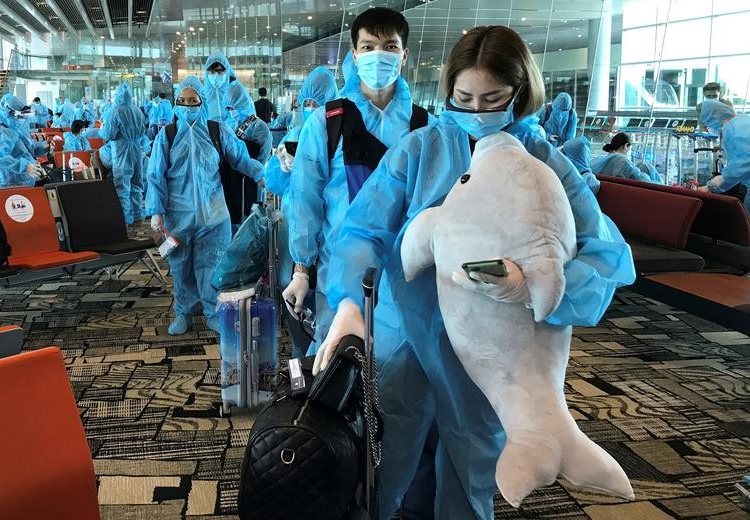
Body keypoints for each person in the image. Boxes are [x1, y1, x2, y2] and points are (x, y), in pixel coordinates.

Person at [314, 26, 635, 518]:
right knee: (383, 457)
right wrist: (350, 303)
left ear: (519, 93)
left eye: (492, 99)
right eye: (464, 99)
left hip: (499, 347)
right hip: (408, 331)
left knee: (472, 468)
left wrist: (539, 290)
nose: (477, 112)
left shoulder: (543, 161)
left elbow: (605, 255)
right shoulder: (419, 150)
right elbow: (362, 230)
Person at [284, 7, 434, 356]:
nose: (378, 55)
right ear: (354, 54)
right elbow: (306, 199)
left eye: (390, 46)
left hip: (407, 278)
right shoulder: (327, 122)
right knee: (339, 365)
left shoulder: (426, 127)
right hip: (340, 275)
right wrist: (302, 270)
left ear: (404, 55)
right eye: (368, 47)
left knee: (403, 372)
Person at [146, 76, 264, 335]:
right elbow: (155, 175)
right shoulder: (167, 135)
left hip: (213, 214)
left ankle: (213, 312)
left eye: (193, 100)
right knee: (181, 267)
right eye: (182, 100)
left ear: (202, 101)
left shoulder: (217, 131)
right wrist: (156, 211)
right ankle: (183, 313)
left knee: (213, 265)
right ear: (176, 103)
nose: (187, 105)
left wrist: (262, 175)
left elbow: (240, 158)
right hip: (178, 214)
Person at [265, 66, 338, 358]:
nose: (311, 109)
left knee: (330, 294)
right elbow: (273, 182)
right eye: (307, 103)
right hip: (295, 227)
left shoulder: (339, 136)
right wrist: (284, 168)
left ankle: (325, 354)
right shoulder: (293, 136)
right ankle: (300, 351)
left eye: (318, 103)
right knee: (293, 289)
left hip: (331, 230)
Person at [101, 83, 147, 225]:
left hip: (121, 150)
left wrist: (102, 131)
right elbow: (142, 131)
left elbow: (109, 134)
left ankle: (125, 219)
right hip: (136, 148)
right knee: (136, 183)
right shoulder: (137, 110)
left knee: (122, 185)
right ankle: (138, 215)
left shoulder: (114, 111)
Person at [698, 99, 750, 214]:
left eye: (707, 125)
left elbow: (741, 165)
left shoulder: (733, 129)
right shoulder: (742, 121)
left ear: (713, 119)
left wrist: (711, 186)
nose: (708, 129)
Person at [0, 93, 44, 188]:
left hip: (24, 181)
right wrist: (25, 166)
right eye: (19, 116)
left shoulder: (15, 128)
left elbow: (26, 149)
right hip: (8, 183)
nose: (22, 119)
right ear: (9, 113)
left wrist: (43, 149)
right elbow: (1, 158)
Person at [590, 132, 661, 183]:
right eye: (630, 149)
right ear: (626, 146)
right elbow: (643, 180)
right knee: (647, 167)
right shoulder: (621, 161)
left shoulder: (601, 161)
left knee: (642, 166)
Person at [201, 51, 235, 125]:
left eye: (220, 71)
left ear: (227, 72)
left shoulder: (236, 95)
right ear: (207, 73)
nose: (216, 75)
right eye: (212, 72)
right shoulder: (202, 97)